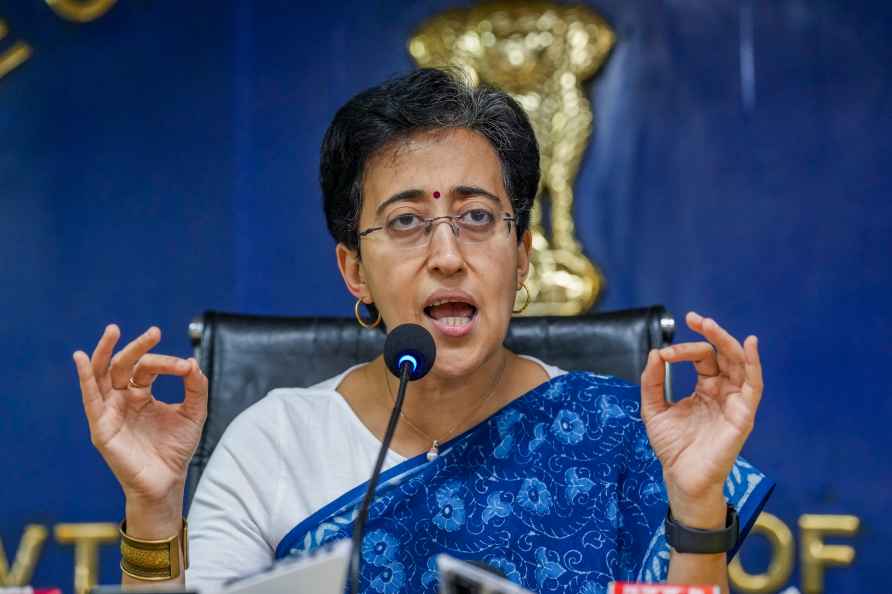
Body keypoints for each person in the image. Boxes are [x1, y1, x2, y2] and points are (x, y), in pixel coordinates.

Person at [72, 68, 772, 594]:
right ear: (355, 271)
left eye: (476, 218)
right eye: (406, 222)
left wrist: (696, 502)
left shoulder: (623, 434)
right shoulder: (273, 443)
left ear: (521, 257)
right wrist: (155, 509)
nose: (447, 255)